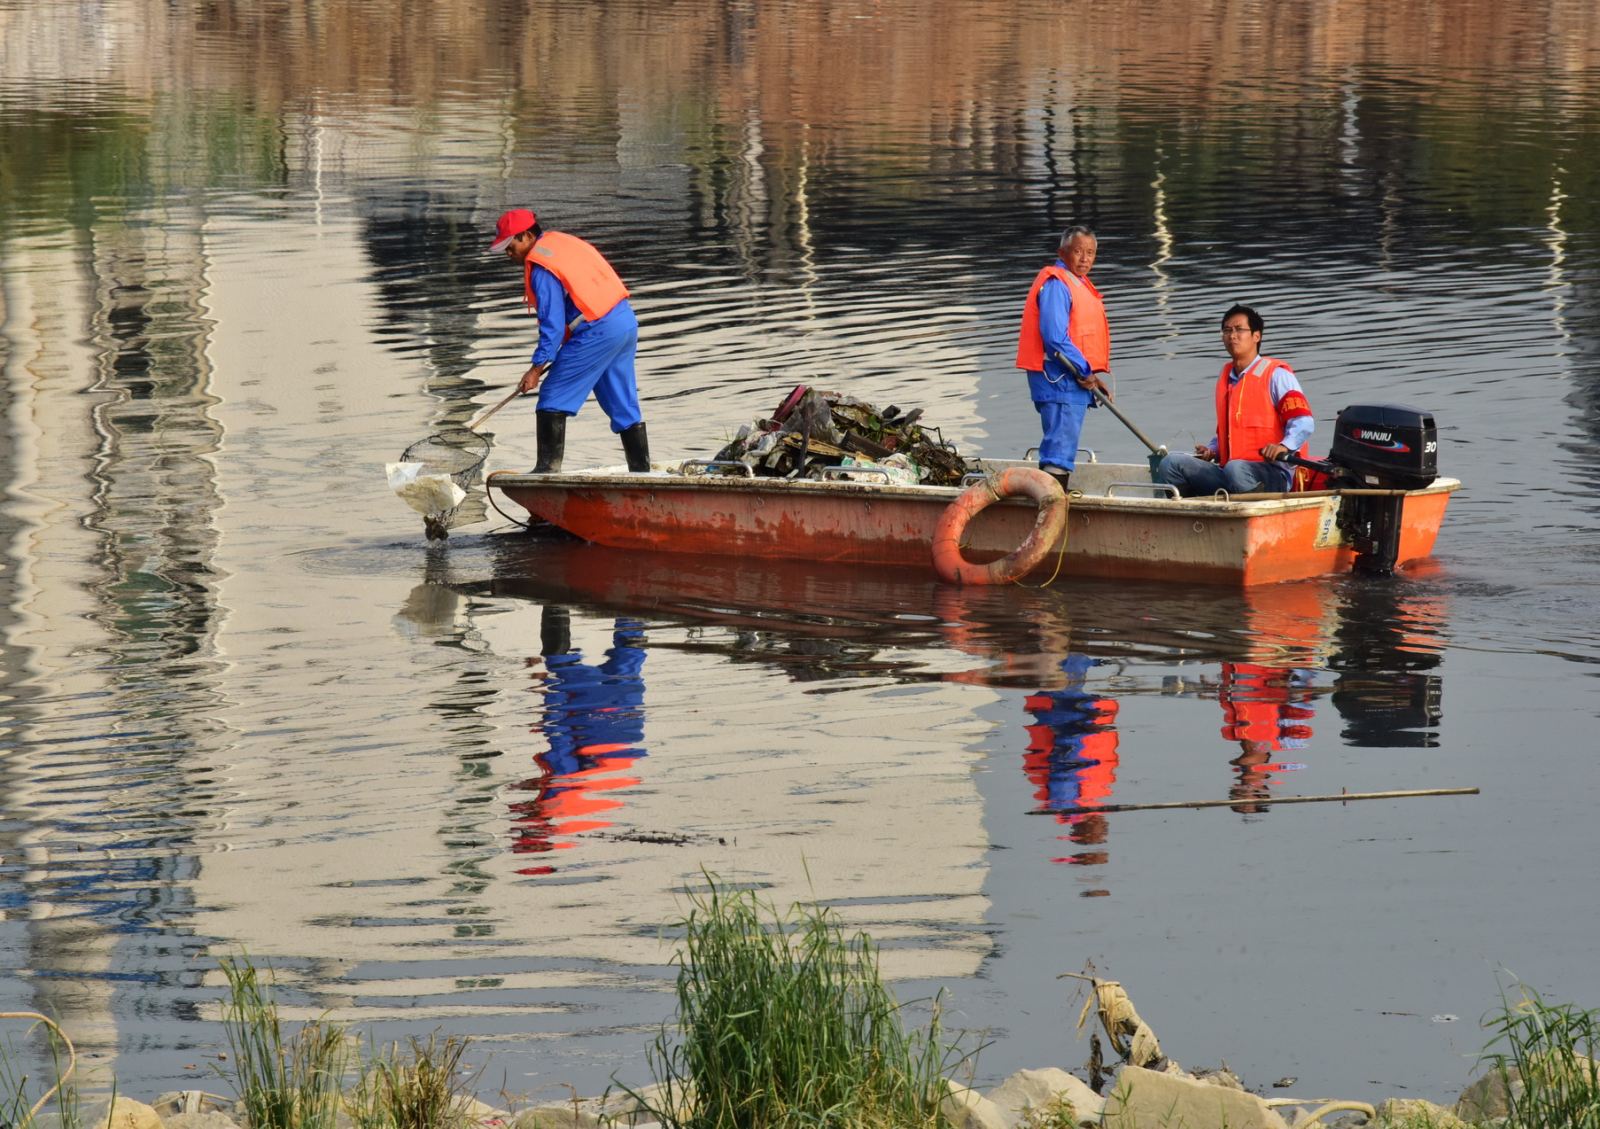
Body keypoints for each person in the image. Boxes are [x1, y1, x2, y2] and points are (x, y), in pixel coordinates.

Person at [489, 208, 650, 473]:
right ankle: (642, 472)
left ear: (527, 236)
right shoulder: (560, 241)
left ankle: (546, 472)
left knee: (552, 397)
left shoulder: (542, 267)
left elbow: (551, 327)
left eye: (510, 246)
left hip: (597, 331)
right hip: (624, 322)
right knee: (621, 401)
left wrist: (536, 368)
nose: (508, 254)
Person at [1154, 304, 1314, 496]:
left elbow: (1304, 422)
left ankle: (1252, 514)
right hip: (1230, 472)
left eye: (1239, 330)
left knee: (1235, 469)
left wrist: (1284, 446)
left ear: (1257, 336)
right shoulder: (1227, 378)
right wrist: (1213, 450)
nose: (1232, 335)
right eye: (1227, 330)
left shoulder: (1276, 375)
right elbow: (1230, 431)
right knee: (1170, 463)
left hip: (1271, 474)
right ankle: (1195, 514)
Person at [1014, 225, 1113, 490]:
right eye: (1078, 251)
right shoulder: (1057, 283)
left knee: (1063, 442)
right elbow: (1055, 338)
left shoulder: (1077, 283)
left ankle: (1055, 495)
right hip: (1059, 378)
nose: (1085, 259)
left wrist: (1093, 376)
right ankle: (1053, 502)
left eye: (1091, 253)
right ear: (1062, 252)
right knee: (1059, 444)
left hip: (1074, 377)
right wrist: (1084, 371)